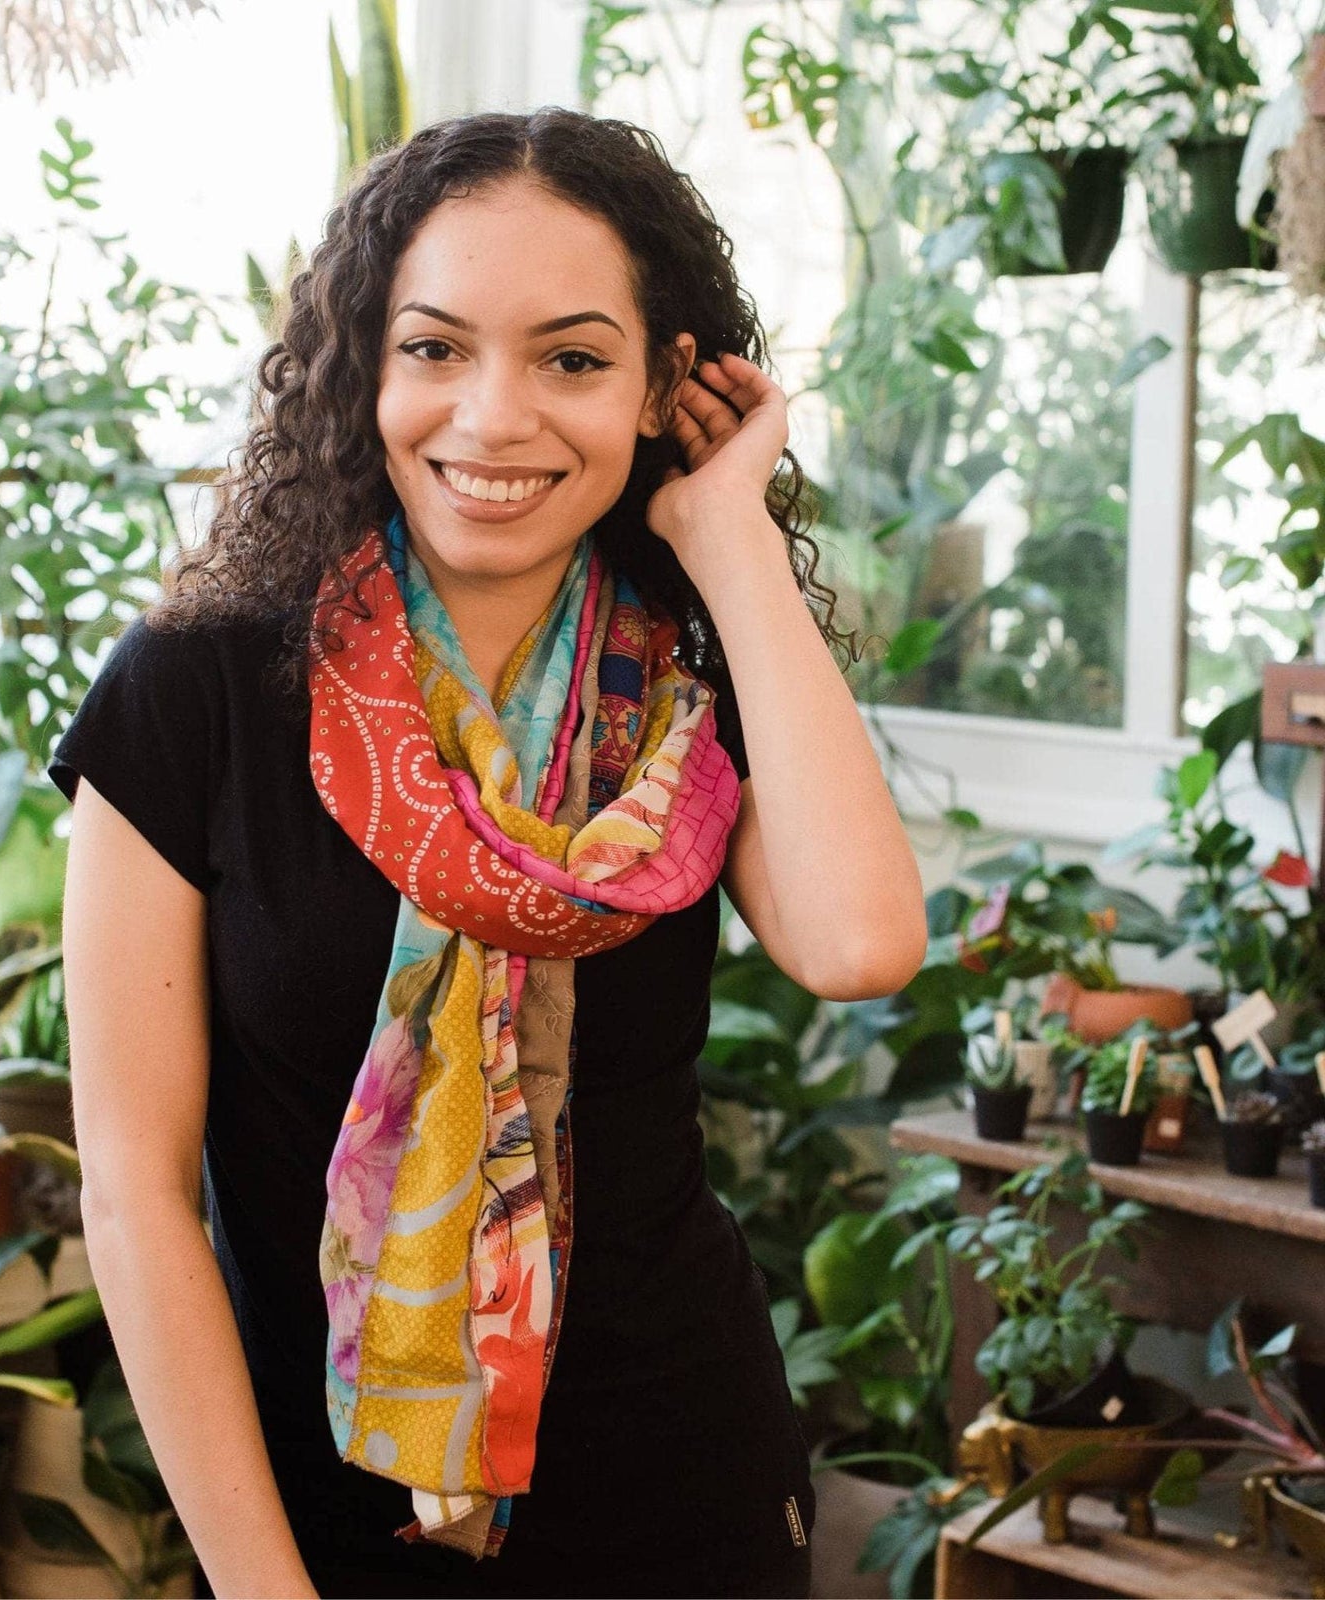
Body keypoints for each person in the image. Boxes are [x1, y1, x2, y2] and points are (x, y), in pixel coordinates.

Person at [49, 106, 927, 1600]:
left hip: (678, 1488)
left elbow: (858, 945)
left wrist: (729, 536)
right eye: (436, 348)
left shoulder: (693, 680)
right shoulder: (194, 690)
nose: (493, 417)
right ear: (361, 369)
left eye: (573, 359)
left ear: (663, 385)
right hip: (312, 1511)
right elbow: (133, 1190)